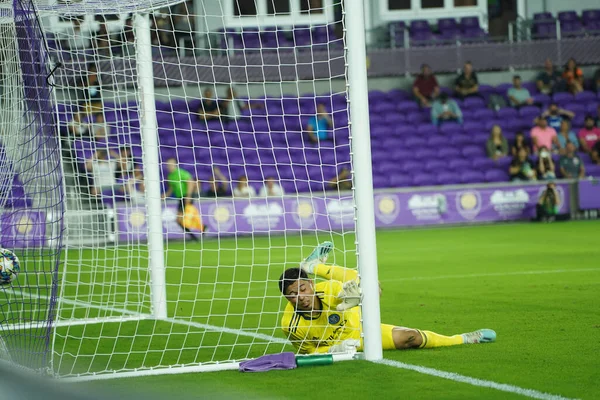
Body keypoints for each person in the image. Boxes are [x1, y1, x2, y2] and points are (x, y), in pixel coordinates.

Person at [279, 242, 496, 355]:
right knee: (410, 339)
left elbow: (356, 278)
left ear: (312, 285)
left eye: (303, 289)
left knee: (373, 288)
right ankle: (311, 266)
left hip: (359, 326)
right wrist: (334, 349)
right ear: (287, 299)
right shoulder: (290, 325)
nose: (300, 297)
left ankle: (464, 338)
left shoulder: (327, 290)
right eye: (292, 295)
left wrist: (354, 294)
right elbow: (308, 354)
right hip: (344, 344)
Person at [162, 158, 200, 241]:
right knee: (180, 220)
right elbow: (172, 188)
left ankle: (195, 236)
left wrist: (189, 195)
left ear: (175, 164)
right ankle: (200, 232)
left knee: (181, 219)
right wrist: (165, 195)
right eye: (168, 165)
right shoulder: (170, 176)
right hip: (180, 198)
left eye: (171, 164)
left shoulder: (180, 172)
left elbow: (190, 181)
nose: (170, 166)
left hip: (186, 196)